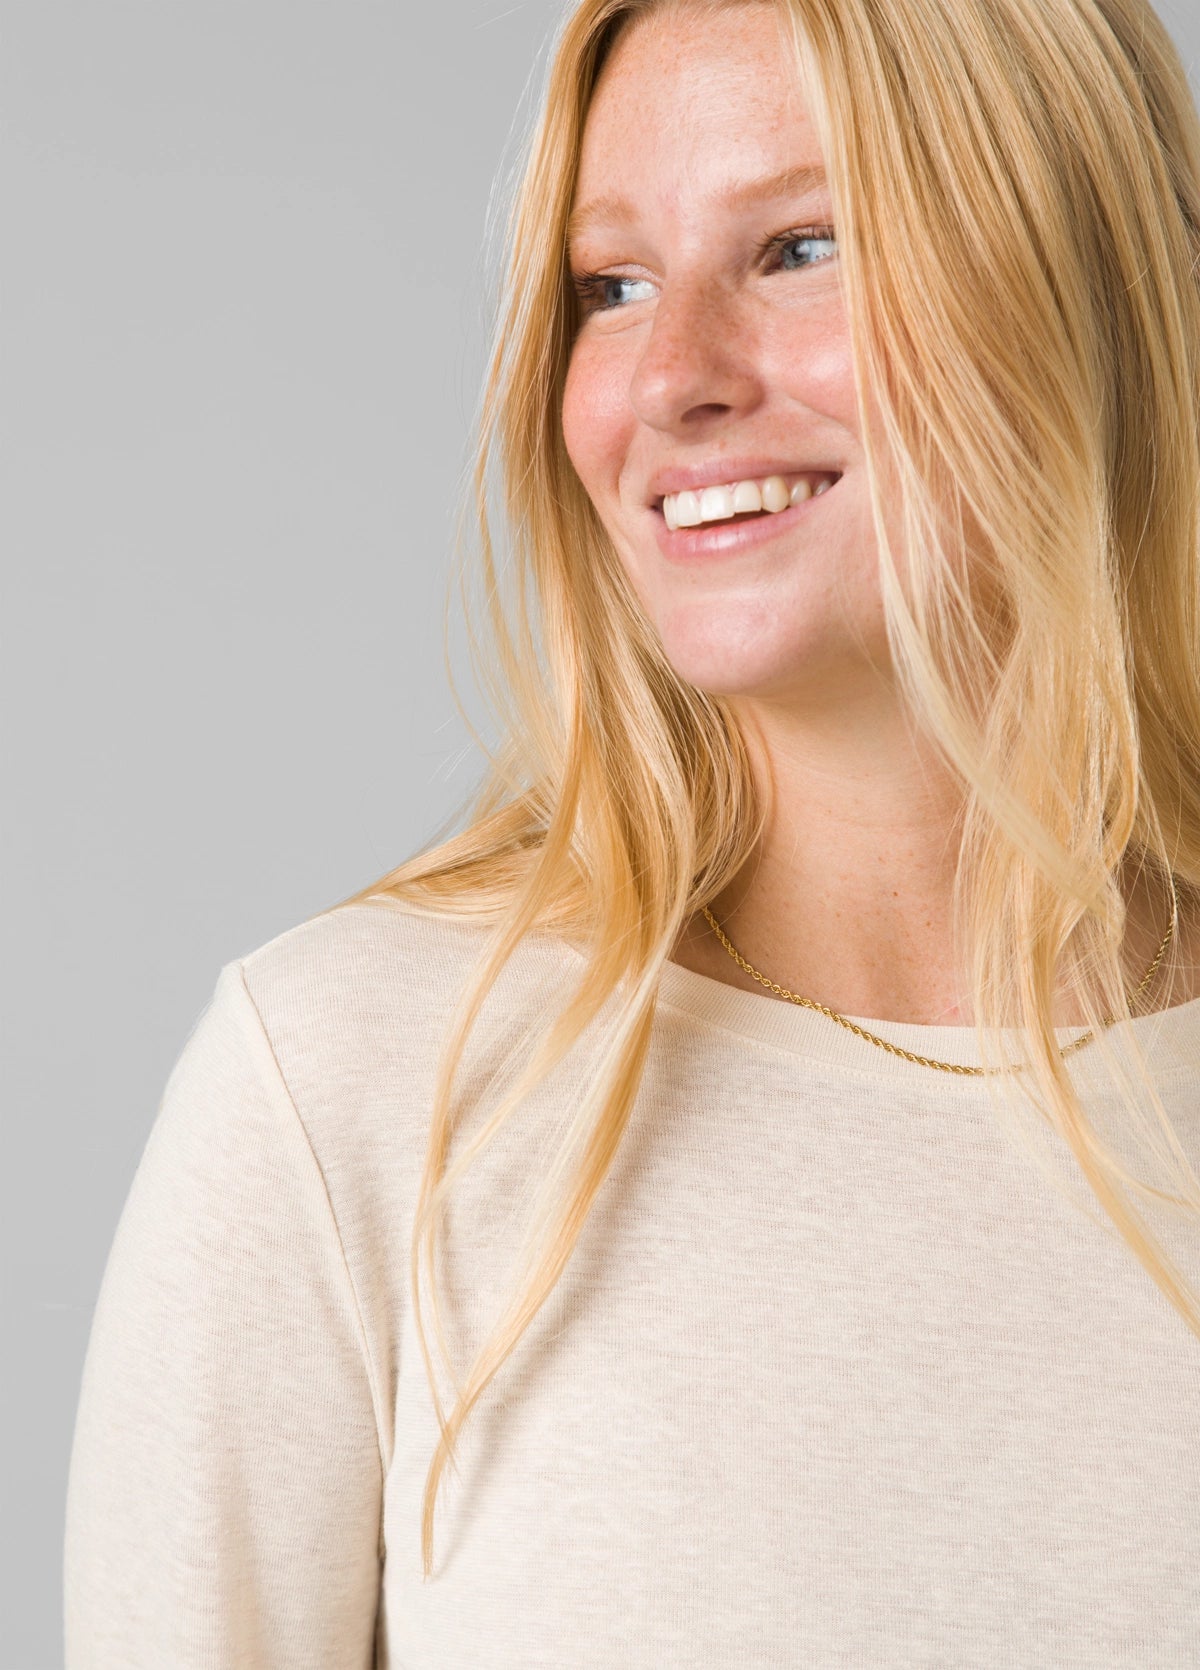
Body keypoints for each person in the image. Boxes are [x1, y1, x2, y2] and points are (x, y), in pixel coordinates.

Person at [64, 0, 1200, 1662]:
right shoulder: (354, 1092)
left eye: (800, 247)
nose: (670, 379)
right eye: (612, 285)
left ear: (1081, 274)